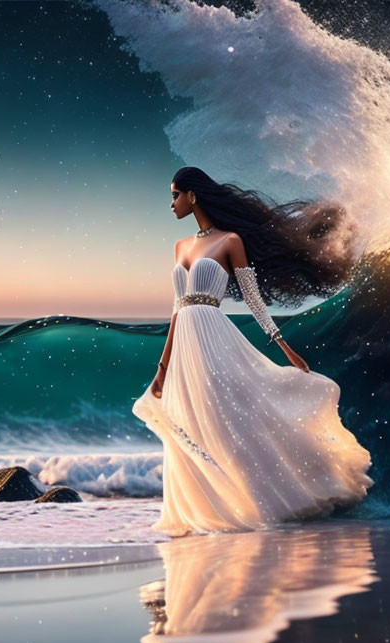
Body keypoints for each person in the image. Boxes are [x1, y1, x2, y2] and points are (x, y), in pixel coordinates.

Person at [132, 166, 373, 537]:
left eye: (175, 195)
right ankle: (206, 509)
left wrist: (283, 345)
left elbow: (254, 301)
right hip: (184, 347)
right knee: (189, 422)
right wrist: (162, 368)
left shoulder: (230, 241)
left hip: (214, 338)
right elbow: (177, 309)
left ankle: (262, 499)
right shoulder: (180, 247)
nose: (171, 203)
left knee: (228, 418)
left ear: (193, 196)